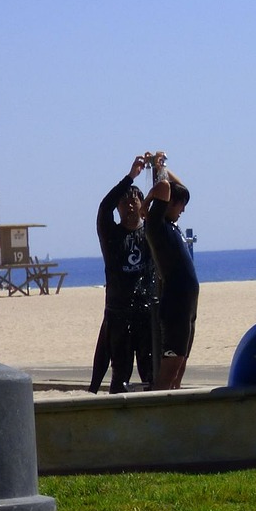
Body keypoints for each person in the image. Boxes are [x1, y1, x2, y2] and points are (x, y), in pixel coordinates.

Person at [90, 156, 155, 393]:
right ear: (117, 208)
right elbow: (103, 207)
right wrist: (130, 177)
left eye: (134, 200)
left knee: (151, 370)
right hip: (119, 314)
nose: (129, 205)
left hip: (147, 313)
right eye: (123, 201)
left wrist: (158, 170)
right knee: (121, 371)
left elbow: (163, 207)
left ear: (141, 205)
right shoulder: (111, 235)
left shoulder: (151, 233)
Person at [143, 152, 198, 390]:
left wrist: (162, 165)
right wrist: (159, 167)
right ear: (168, 204)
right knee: (171, 363)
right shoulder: (156, 223)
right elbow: (165, 186)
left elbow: (178, 187)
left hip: (187, 303)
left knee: (182, 359)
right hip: (175, 302)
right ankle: (157, 403)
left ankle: (173, 400)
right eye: (180, 206)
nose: (183, 211)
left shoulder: (170, 223)